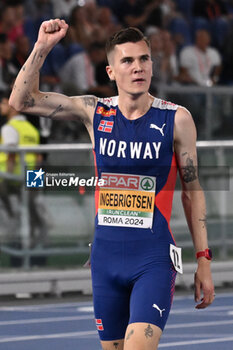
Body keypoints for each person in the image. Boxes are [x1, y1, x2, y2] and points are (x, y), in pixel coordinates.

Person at [9, 19, 215, 350]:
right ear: (110, 71)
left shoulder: (176, 119)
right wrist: (42, 48)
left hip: (152, 258)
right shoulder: (95, 112)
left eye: (144, 59)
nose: (138, 68)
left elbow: (193, 192)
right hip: (105, 260)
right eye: (128, 61)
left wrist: (204, 260)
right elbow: (22, 101)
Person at [0, 93, 48, 248]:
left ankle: (18, 246)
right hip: (31, 177)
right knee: (31, 215)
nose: (1, 107)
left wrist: (7, 178)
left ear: (9, 104)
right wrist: (35, 183)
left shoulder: (9, 128)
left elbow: (11, 156)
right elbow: (39, 157)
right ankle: (36, 244)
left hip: (12, 180)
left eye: (2, 103)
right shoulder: (31, 129)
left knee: (16, 218)